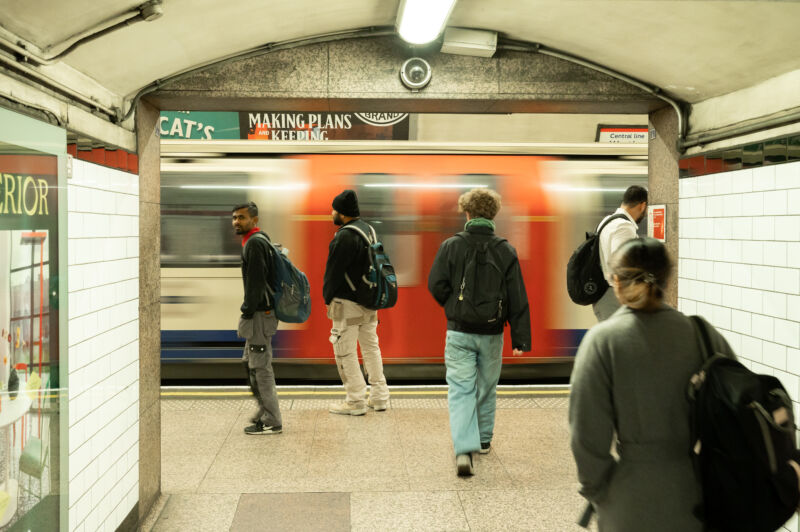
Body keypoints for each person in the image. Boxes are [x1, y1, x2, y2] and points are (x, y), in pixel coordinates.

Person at [569, 237, 733, 531]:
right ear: (667, 279)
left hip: (629, 503)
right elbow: (733, 412)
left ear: (616, 281)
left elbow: (586, 437)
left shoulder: (602, 342)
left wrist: (601, 493)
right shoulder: (703, 335)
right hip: (697, 497)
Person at [428, 188, 531, 476]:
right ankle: (484, 441)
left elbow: (436, 284)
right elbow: (517, 296)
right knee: (486, 388)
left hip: (459, 333)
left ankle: (464, 448)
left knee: (461, 389)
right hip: (492, 333)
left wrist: (452, 306)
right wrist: (520, 339)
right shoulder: (505, 250)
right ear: (493, 215)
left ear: (467, 213)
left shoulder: (451, 246)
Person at [323, 189, 390, 416]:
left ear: (342, 213)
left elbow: (333, 273)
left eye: (334, 210)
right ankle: (380, 397)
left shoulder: (343, 236)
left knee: (345, 351)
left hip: (347, 303)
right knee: (371, 348)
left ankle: (355, 401)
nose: (332, 213)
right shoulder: (369, 230)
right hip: (370, 301)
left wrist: (326, 298)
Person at [233, 202, 282, 435]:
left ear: (254, 219)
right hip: (262, 314)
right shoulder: (259, 239)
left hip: (259, 315)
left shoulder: (254, 244)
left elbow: (256, 283)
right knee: (250, 364)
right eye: (234, 217)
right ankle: (264, 411)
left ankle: (272, 420)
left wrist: (246, 312)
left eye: (242, 217)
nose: (236, 222)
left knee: (260, 368)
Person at [593, 185, 648, 322]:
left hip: (604, 293)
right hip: (614, 295)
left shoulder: (607, 221)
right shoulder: (624, 227)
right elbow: (622, 265)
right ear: (642, 205)